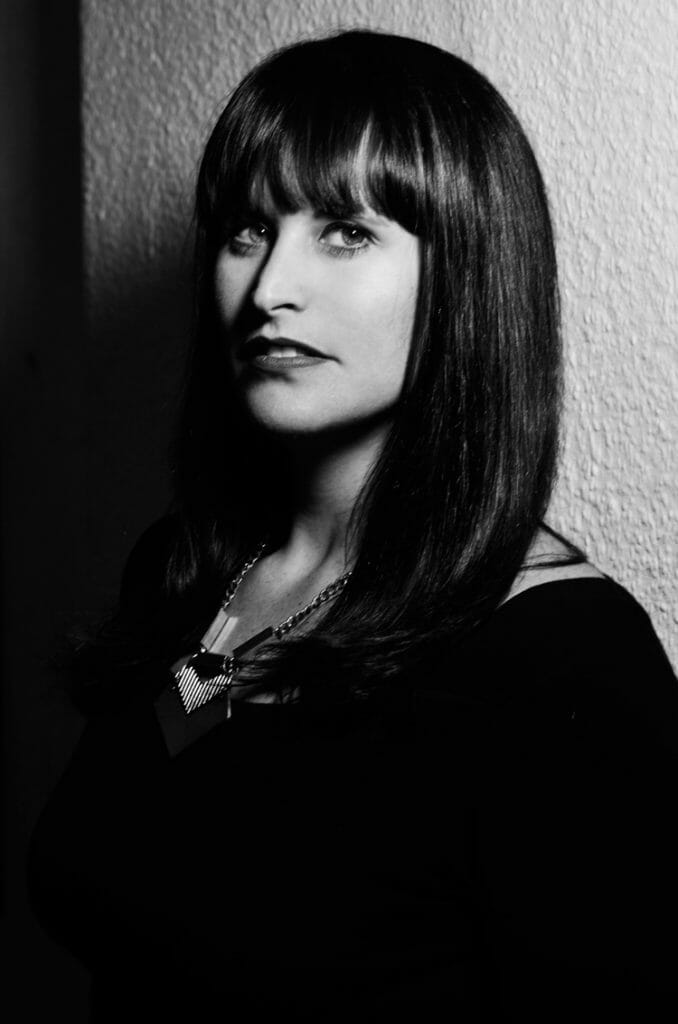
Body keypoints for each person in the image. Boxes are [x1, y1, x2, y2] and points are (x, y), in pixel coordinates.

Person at [28, 29, 678, 1019]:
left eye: (344, 230)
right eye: (248, 229)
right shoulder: (186, 571)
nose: (269, 288)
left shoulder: (563, 663)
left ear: (466, 273)